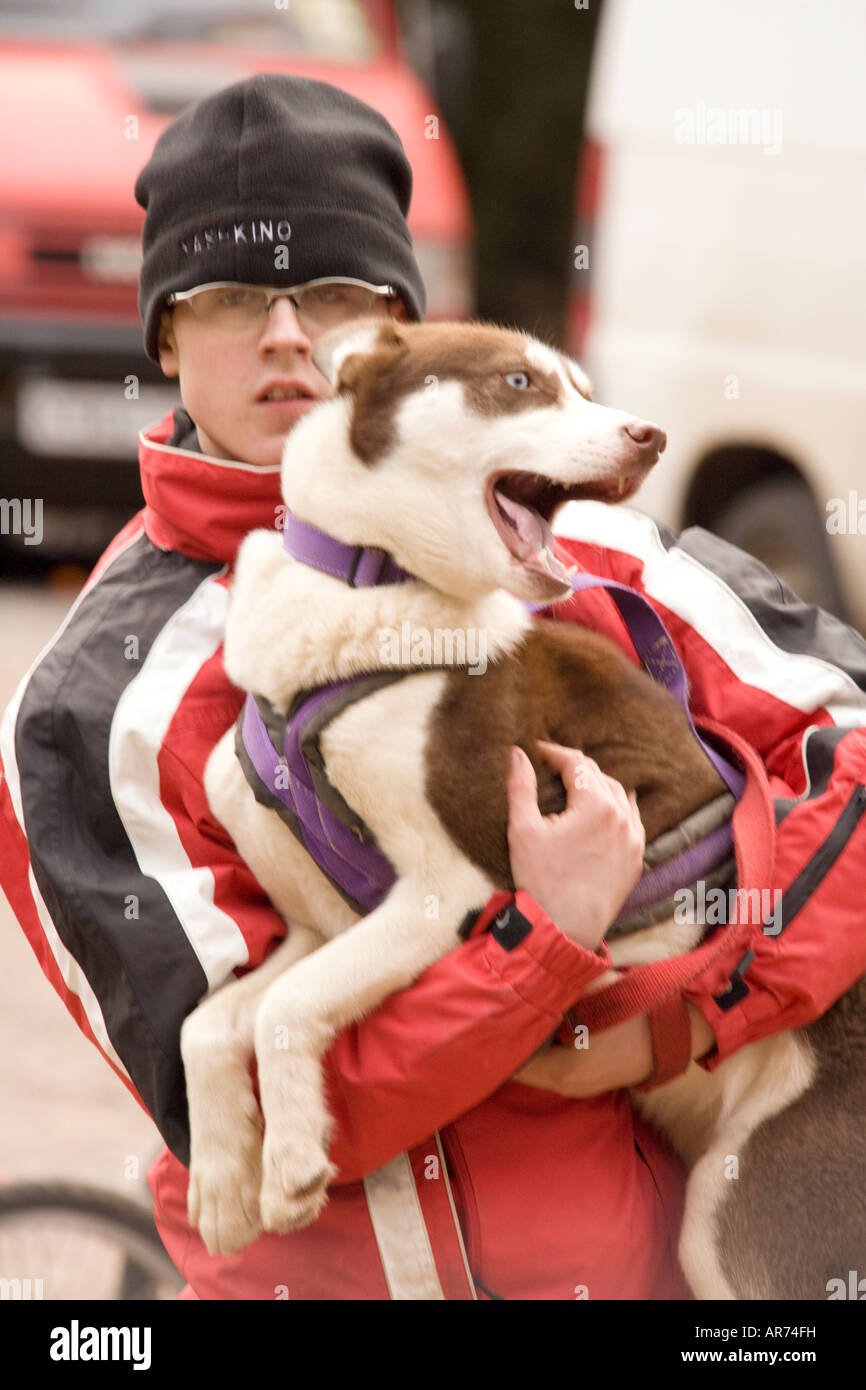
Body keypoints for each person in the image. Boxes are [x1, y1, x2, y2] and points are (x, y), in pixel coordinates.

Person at [2, 73, 866, 1302]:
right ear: (163, 338)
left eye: (336, 294)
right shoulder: (89, 708)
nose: (290, 335)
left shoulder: (598, 561)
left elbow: (851, 751)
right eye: (234, 296)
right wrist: (543, 944)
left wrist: (687, 1017)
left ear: (399, 335)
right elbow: (257, 1109)